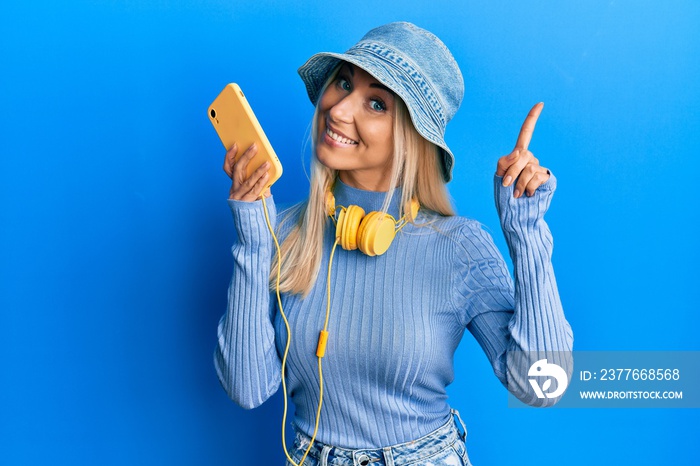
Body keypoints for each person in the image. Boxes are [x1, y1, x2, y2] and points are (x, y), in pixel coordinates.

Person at [215, 21, 573, 466]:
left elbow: (544, 384)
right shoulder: (284, 231)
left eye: (377, 103)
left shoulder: (457, 246)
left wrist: (526, 231)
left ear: (412, 136)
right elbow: (247, 388)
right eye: (343, 82)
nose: (340, 110)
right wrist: (253, 237)